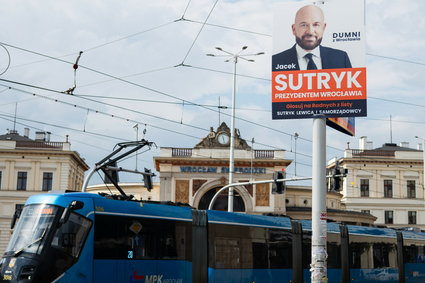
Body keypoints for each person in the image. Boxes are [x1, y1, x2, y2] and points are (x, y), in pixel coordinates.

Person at [272, 5, 352, 71]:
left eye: (316, 25)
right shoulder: (275, 61)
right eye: (304, 25)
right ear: (294, 29)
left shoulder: (341, 59)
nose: (310, 32)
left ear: (323, 28)